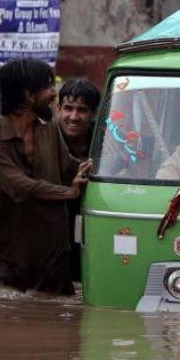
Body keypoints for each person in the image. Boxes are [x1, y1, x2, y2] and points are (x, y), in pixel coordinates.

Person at [0, 59, 91, 296]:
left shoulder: (49, 129)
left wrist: (103, 169)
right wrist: (66, 192)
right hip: (5, 253)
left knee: (53, 325)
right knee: (2, 321)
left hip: (52, 255)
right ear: (29, 95)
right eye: (48, 86)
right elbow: (17, 185)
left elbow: (69, 167)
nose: (53, 94)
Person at [54, 77, 101, 282]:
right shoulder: (46, 141)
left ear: (93, 113)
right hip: (55, 228)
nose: (73, 117)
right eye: (68, 108)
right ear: (58, 109)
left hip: (91, 228)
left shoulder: (105, 143)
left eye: (81, 110)